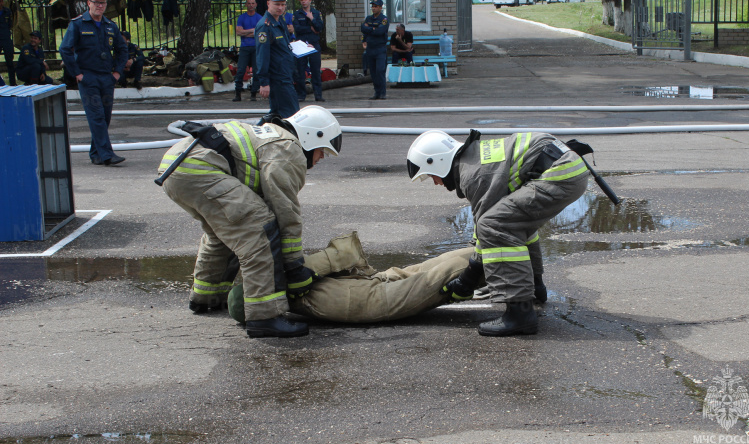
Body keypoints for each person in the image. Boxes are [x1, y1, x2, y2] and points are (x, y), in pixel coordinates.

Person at [157, 107, 343, 338]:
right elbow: (285, 210)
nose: (322, 157)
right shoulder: (288, 147)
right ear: (311, 136)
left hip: (178, 168)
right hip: (200, 169)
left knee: (225, 233)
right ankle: (264, 316)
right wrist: (294, 268)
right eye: (322, 150)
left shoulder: (271, 134)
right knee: (258, 231)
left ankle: (207, 296)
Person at [406, 130, 591, 336]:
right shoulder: (472, 160)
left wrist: (468, 278)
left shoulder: (475, 175)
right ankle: (536, 288)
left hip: (561, 175)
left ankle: (520, 314)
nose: (436, 182)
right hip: (567, 168)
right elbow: (484, 227)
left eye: (432, 176)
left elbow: (487, 229)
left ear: (437, 162)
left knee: (496, 225)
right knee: (513, 221)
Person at [228, 232, 479, 325]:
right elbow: (341, 254)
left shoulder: (295, 295)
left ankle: (494, 249)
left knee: (432, 267)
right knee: (444, 275)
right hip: (377, 298)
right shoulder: (296, 291)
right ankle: (502, 256)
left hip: (373, 285)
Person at [59, 0, 128, 166]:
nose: (99, 5)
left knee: (104, 117)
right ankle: (107, 155)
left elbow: (122, 50)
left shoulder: (110, 25)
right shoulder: (78, 24)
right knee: (96, 116)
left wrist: (117, 73)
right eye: (96, 2)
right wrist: (77, 74)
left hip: (106, 78)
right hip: (88, 78)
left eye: (102, 2)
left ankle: (96, 153)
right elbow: (65, 49)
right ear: (88, 3)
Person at [255, 0, 300, 119]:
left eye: (283, 4)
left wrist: (301, 46)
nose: (280, 8)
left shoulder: (279, 20)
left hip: (285, 74)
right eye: (277, 4)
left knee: (279, 115)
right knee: (290, 115)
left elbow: (284, 45)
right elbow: (262, 55)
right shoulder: (265, 26)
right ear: (268, 3)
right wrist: (263, 82)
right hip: (277, 78)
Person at [293, 0, 325, 102]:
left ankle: (318, 95)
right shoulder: (297, 14)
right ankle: (301, 94)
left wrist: (312, 19)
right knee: (300, 72)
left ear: (310, 0)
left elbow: (319, 28)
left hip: (314, 45)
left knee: (315, 71)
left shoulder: (316, 13)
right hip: (301, 46)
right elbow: (297, 29)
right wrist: (310, 28)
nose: (304, 1)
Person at [232, 0, 262, 102]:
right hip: (244, 47)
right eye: (249, 3)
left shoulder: (259, 18)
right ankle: (237, 93)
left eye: (253, 3)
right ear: (246, 4)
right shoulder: (242, 17)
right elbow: (239, 32)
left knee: (256, 70)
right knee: (240, 70)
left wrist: (247, 32)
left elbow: (260, 33)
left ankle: (253, 93)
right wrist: (252, 31)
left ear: (256, 5)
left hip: (256, 47)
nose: (251, 5)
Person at [360, 0, 389, 100]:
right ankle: (376, 92)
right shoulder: (368, 18)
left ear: (381, 8)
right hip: (370, 48)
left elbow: (380, 31)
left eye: (376, 6)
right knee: (372, 72)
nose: (373, 8)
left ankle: (382, 92)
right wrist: (372, 28)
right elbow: (362, 28)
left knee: (380, 70)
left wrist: (370, 29)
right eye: (372, 6)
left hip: (380, 48)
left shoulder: (384, 19)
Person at [0, 0, 16, 86]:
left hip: (6, 39)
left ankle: (13, 83)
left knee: (10, 62)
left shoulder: (7, 11)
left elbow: (10, 24)